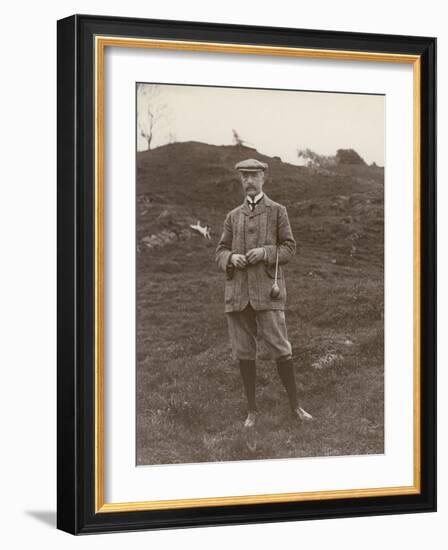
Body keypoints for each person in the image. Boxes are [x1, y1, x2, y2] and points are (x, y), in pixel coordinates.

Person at [215, 158, 313, 428]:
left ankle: (296, 406)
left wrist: (266, 253)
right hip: (238, 295)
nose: (248, 181)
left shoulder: (278, 211)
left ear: (263, 178)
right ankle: (251, 411)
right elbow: (220, 251)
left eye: (253, 176)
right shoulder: (232, 216)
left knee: (282, 349)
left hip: (268, 293)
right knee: (244, 352)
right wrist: (231, 258)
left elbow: (290, 248)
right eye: (244, 176)